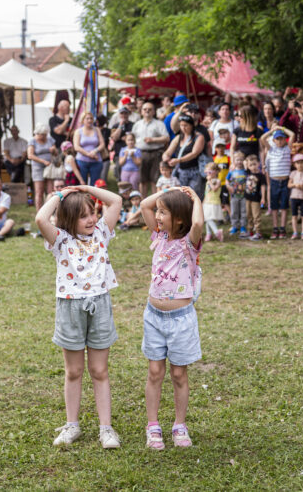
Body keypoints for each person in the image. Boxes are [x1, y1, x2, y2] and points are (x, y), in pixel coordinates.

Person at [36, 184, 123, 450]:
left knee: (99, 370)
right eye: (83, 215)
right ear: (69, 219)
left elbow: (116, 200)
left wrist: (84, 189)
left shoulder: (102, 233)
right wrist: (61, 196)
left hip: (100, 305)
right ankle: (72, 425)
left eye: (93, 213)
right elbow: (41, 218)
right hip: (70, 307)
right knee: (73, 371)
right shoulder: (60, 239)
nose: (91, 219)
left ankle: (106, 429)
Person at [137, 186, 204, 450]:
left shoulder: (190, 243)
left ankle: (179, 425)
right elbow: (144, 205)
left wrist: (194, 198)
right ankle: (152, 426)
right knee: (155, 372)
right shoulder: (159, 236)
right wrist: (169, 190)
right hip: (153, 317)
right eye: (159, 211)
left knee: (179, 374)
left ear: (179, 218)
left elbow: (197, 220)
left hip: (181, 320)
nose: (157, 215)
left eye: (163, 212)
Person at [163, 114, 206, 197]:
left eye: (186, 125)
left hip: (195, 171)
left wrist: (178, 160)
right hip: (181, 171)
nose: (183, 128)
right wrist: (166, 157)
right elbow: (168, 151)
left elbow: (194, 153)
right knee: (181, 196)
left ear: (192, 125)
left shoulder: (199, 137)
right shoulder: (178, 137)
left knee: (193, 195)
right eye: (181, 125)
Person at [133, 101, 170, 196]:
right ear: (141, 111)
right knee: (142, 180)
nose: (147, 111)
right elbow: (132, 139)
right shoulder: (137, 124)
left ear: (154, 112)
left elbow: (166, 138)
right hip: (141, 154)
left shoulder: (159, 124)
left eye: (150, 109)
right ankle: (143, 204)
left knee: (155, 180)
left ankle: (154, 203)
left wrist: (153, 139)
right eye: (145, 109)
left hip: (156, 153)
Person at [263, 129, 292, 240]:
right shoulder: (271, 149)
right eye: (277, 139)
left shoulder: (287, 148)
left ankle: (283, 228)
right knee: (274, 207)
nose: (280, 141)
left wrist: (283, 129)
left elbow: (292, 134)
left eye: (282, 139)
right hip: (274, 181)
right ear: (274, 140)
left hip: (285, 181)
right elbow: (262, 138)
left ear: (285, 140)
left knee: (284, 206)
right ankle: (275, 227)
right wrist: (273, 130)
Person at [28, 124, 57, 209]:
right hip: (37, 167)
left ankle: (50, 211)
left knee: (50, 191)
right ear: (37, 133)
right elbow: (30, 155)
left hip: (49, 167)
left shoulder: (50, 139)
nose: (43, 136)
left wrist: (53, 150)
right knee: (39, 192)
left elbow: (55, 153)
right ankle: (39, 212)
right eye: (42, 134)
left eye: (45, 134)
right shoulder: (32, 141)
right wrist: (43, 161)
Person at [73, 112, 105, 186]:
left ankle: (93, 197)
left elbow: (102, 144)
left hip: (96, 161)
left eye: (91, 118)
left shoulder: (96, 130)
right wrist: (89, 154)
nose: (89, 120)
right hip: (82, 161)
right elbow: (76, 147)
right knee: (82, 184)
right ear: (83, 120)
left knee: (95, 184)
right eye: (87, 118)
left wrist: (95, 151)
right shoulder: (78, 131)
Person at [288, 154, 303, 240]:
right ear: (294, 164)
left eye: (302, 163)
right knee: (294, 215)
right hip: (294, 197)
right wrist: (295, 185)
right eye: (298, 163)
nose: (300, 165)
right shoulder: (293, 173)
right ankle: (295, 232)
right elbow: (289, 184)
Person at [242, 154, 265, 241]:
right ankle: (250, 230)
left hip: (256, 198)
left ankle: (258, 232)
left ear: (258, 164)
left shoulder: (260, 175)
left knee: (256, 215)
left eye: (254, 164)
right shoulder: (248, 173)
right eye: (250, 165)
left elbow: (263, 187)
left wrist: (263, 198)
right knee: (248, 215)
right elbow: (244, 162)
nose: (253, 166)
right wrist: (247, 162)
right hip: (247, 197)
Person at [226, 152, 248, 237]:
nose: (239, 161)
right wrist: (228, 186)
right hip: (234, 195)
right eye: (237, 160)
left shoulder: (246, 171)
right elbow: (227, 180)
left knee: (243, 211)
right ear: (234, 161)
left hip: (244, 195)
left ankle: (243, 226)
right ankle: (235, 225)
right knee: (234, 211)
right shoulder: (232, 171)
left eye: (241, 160)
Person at [201, 162, 224, 242]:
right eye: (207, 172)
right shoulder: (208, 182)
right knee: (207, 218)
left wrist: (210, 181)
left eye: (209, 172)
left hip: (214, 202)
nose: (208, 174)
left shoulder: (217, 181)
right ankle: (208, 233)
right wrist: (203, 202)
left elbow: (214, 189)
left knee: (208, 218)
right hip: (207, 202)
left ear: (216, 171)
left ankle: (217, 232)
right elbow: (206, 193)